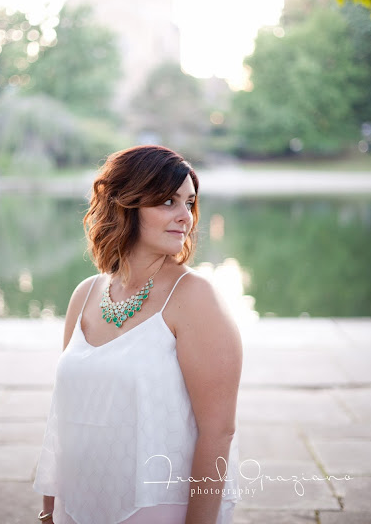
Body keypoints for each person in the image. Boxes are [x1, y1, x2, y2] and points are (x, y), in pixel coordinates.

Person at [33, 145, 243, 524]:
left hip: (156, 508)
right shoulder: (85, 294)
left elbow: (218, 432)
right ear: (124, 205)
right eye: (168, 201)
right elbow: (62, 414)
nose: (186, 216)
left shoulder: (194, 298)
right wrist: (49, 510)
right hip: (77, 505)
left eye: (189, 202)